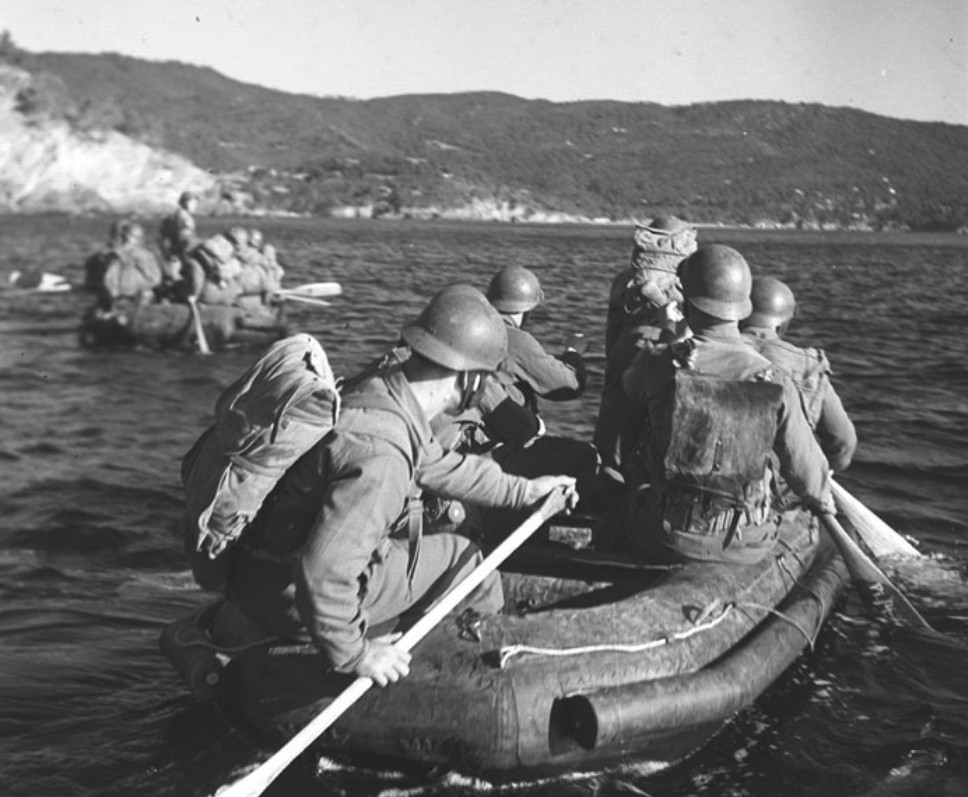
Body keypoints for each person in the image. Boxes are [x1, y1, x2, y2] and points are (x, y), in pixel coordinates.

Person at [222, 286, 578, 686]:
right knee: (469, 560)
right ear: (472, 378)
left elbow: (441, 466)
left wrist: (525, 492)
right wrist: (356, 654)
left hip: (258, 573)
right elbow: (323, 574)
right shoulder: (383, 455)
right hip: (289, 600)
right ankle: (474, 679)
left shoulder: (381, 393)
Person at [619, 245, 833, 564]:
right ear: (743, 308)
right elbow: (809, 476)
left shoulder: (659, 363)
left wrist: (671, 334)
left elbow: (629, 388)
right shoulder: (774, 379)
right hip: (745, 543)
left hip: (662, 535)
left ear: (687, 302)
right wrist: (824, 504)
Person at [594, 216, 698, 478]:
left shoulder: (623, 281)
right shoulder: (684, 286)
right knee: (649, 431)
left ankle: (603, 479)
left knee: (612, 429)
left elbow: (611, 331)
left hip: (623, 353)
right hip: (663, 355)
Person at [741, 276, 857, 473]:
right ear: (783, 324)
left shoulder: (714, 351)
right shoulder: (807, 366)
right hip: (782, 491)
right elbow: (843, 443)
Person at [96, 222, 163, 311]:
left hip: (138, 297)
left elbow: (154, 278)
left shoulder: (145, 255)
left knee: (146, 295)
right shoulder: (114, 255)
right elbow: (109, 280)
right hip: (120, 298)